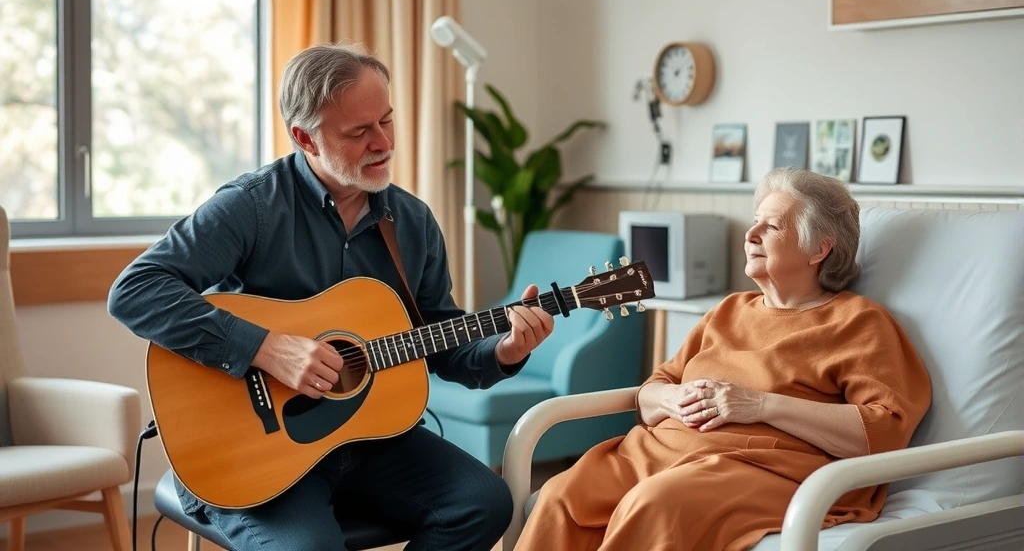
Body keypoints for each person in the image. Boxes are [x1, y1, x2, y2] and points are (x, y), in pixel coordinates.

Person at [107, 42, 554, 551]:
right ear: (305, 138)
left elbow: (440, 339)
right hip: (256, 452)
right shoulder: (251, 206)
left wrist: (504, 351)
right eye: (359, 132)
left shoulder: (411, 222)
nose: (383, 142)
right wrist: (266, 347)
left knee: (484, 502)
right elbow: (135, 289)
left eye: (386, 120)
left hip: (368, 440)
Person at [514, 168, 932, 551]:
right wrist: (671, 399)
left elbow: (884, 431)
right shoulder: (729, 309)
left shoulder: (858, 322)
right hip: (659, 450)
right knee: (558, 496)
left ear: (818, 249)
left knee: (653, 505)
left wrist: (762, 405)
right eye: (754, 222)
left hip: (763, 467)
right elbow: (652, 390)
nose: (750, 234)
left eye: (771, 226)